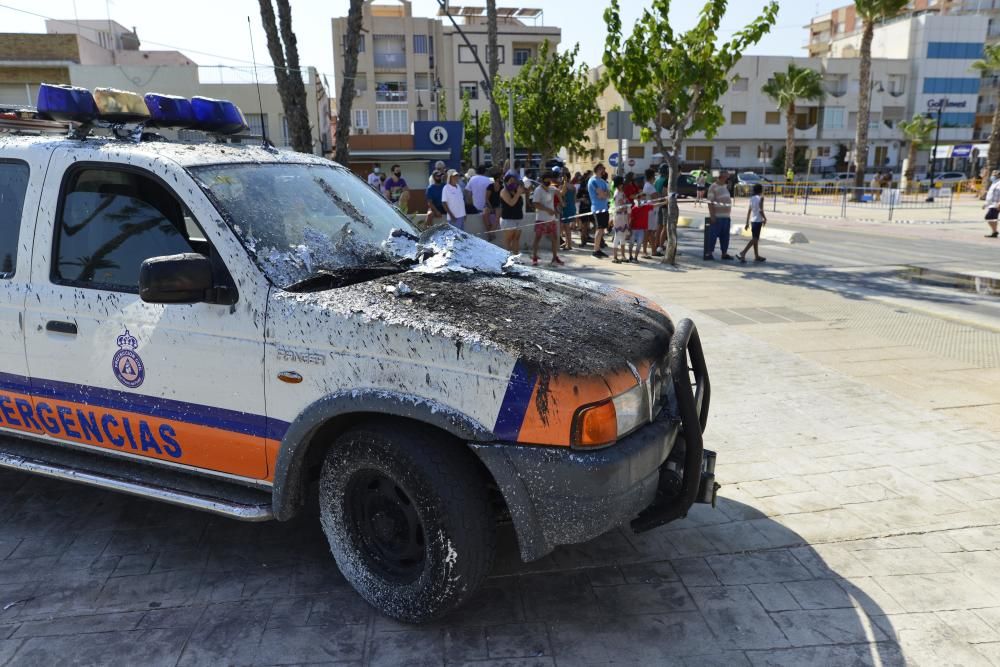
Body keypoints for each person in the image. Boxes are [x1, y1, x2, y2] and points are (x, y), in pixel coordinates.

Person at [531, 172, 563, 266]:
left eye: (550, 180)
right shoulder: (538, 190)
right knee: (538, 238)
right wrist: (547, 210)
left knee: (555, 238)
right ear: (542, 180)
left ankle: (555, 257)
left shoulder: (552, 189)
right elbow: (536, 204)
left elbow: (560, 193)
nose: (548, 182)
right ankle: (534, 257)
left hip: (551, 219)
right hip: (541, 218)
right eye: (547, 180)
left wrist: (561, 201)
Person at [706, 170, 735, 261]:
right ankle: (709, 253)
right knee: (713, 236)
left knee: (725, 237)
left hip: (726, 217)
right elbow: (710, 202)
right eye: (726, 175)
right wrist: (712, 216)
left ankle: (724, 253)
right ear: (721, 176)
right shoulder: (713, 187)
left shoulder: (725, 187)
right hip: (717, 216)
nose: (728, 177)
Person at [737, 183, 767, 262]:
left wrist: (747, 223)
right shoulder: (761, 198)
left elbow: (749, 211)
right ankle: (743, 252)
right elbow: (761, 210)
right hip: (758, 221)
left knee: (755, 239)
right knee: (755, 239)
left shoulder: (752, 198)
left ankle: (756, 256)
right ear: (760, 190)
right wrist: (765, 218)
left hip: (753, 220)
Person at [588, 164, 611, 258]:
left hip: (604, 207)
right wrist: (603, 194)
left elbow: (608, 195)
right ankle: (595, 251)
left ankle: (598, 249)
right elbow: (600, 194)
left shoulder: (602, 181)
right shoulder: (593, 181)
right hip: (597, 208)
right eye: (602, 169)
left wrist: (603, 194)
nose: (604, 171)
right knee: (599, 228)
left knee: (602, 229)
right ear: (598, 169)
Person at [499, 173, 526, 254]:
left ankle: (515, 257)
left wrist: (519, 190)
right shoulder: (504, 191)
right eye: (511, 181)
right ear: (506, 182)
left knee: (516, 238)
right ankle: (507, 258)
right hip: (508, 219)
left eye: (514, 181)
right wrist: (518, 193)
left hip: (518, 218)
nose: (513, 183)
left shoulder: (516, 191)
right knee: (508, 239)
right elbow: (511, 203)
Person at [610, 175, 629, 263]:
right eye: (622, 183)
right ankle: (614, 256)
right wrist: (626, 206)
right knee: (617, 236)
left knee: (623, 237)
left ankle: (623, 255)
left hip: (623, 216)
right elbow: (619, 206)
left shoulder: (622, 192)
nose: (623, 185)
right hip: (619, 216)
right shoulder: (617, 193)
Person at [641, 168, 659, 258]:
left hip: (650, 210)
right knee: (647, 232)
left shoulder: (647, 185)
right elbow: (656, 197)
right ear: (652, 176)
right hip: (650, 211)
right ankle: (644, 251)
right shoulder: (649, 186)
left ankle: (654, 250)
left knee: (651, 232)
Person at [483, 170, 503, 242]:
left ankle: (490, 234)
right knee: (485, 214)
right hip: (489, 205)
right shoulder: (490, 186)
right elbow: (486, 199)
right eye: (501, 177)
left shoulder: (502, 187)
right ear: (497, 179)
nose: (502, 178)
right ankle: (491, 234)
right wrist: (491, 207)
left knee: (498, 216)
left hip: (498, 205)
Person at [559, 172, 576, 251]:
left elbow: (562, 194)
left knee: (565, 227)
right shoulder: (573, 186)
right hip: (572, 207)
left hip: (565, 208)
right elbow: (574, 199)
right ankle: (567, 243)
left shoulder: (563, 186)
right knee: (567, 227)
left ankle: (568, 245)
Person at [576, 170, 593, 246]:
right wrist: (582, 199)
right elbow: (576, 198)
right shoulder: (581, 188)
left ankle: (586, 238)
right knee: (584, 225)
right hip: (583, 208)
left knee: (589, 225)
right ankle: (583, 241)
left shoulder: (591, 188)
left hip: (591, 208)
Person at [983, 174, 1000, 238]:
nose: (992, 176)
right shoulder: (994, 183)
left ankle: (995, 231)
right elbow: (990, 195)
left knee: (989, 217)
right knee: (992, 218)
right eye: (992, 174)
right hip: (992, 204)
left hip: (996, 204)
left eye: (994, 174)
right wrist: (986, 204)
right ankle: (994, 232)